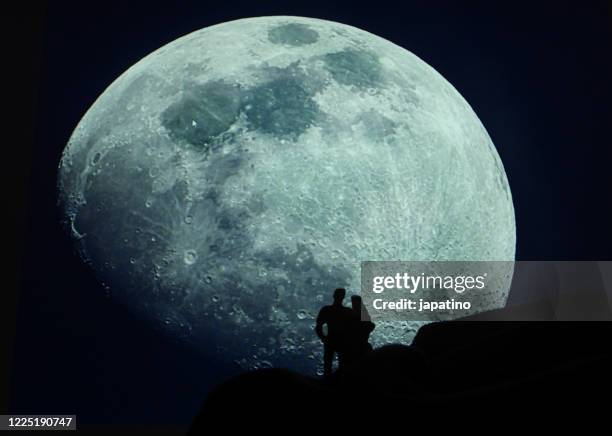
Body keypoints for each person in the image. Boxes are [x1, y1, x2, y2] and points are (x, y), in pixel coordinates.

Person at [315, 288, 352, 376]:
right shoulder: (347, 311)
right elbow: (318, 326)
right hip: (338, 340)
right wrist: (323, 338)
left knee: (330, 365)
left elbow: (318, 326)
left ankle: (328, 384)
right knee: (336, 365)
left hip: (334, 340)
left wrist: (323, 338)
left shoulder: (327, 310)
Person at [342, 295, 375, 367]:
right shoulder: (355, 314)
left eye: (355, 302)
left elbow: (370, 326)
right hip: (357, 345)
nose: (354, 304)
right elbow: (371, 326)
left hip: (356, 345)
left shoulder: (354, 314)